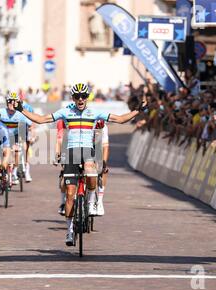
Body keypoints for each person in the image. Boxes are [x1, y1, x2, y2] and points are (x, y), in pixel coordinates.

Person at [14, 83, 145, 246]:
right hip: (72, 152)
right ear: (73, 98)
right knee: (70, 194)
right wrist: (21, 109)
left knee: (91, 173)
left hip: (88, 151)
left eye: (84, 96)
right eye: (77, 97)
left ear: (87, 98)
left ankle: (90, 202)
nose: (81, 99)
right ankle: (69, 231)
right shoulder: (66, 112)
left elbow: (120, 119)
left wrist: (138, 110)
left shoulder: (95, 112)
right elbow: (40, 120)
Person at [55, 117, 109, 217]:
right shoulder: (73, 126)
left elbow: (104, 146)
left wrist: (103, 163)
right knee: (64, 174)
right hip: (74, 148)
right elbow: (62, 143)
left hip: (94, 147)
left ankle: (98, 202)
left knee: (102, 169)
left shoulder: (103, 127)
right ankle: (63, 202)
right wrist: (60, 158)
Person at [0, 92, 34, 184]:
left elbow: (30, 126)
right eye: (10, 101)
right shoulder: (1, 112)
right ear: (7, 102)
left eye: (14, 101)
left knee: (18, 152)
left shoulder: (20, 115)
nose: (12, 103)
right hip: (3, 137)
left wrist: (31, 137)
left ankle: (14, 171)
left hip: (15, 137)